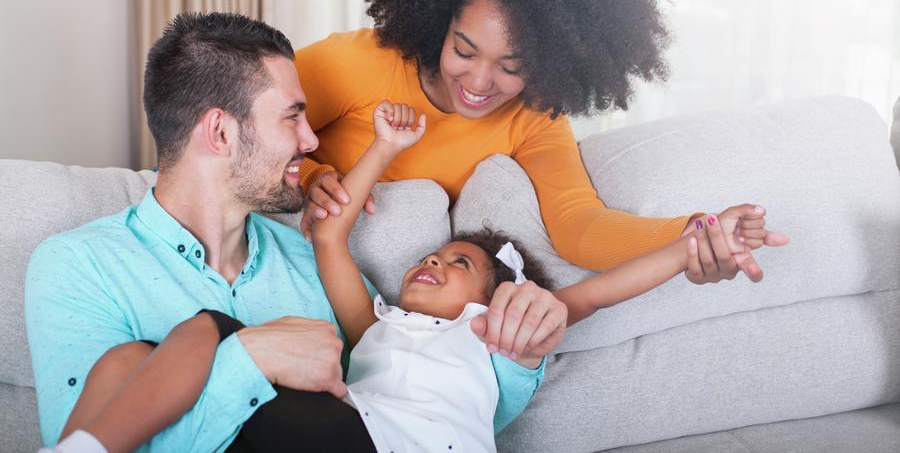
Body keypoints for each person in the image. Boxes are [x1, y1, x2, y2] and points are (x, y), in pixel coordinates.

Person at [43, 98, 774, 453]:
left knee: (206, 331)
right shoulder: (375, 327)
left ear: (490, 297)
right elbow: (329, 232)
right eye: (435, 254)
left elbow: (595, 291)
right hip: (331, 434)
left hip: (370, 445)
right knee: (131, 357)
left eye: (460, 265)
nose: (434, 261)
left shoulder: (500, 334)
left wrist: (694, 242)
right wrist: (384, 147)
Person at [25, 12, 566, 452]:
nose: (312, 141)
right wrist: (247, 361)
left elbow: (425, 402)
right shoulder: (78, 266)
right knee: (136, 359)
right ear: (219, 131)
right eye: (292, 117)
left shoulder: (313, 262)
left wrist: (521, 352)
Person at [294, 0, 789, 286]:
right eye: (464, 51)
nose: (479, 83)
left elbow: (578, 226)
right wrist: (311, 176)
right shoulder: (356, 62)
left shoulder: (533, 121)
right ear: (437, 20)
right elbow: (243, 127)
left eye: (513, 66)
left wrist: (694, 232)